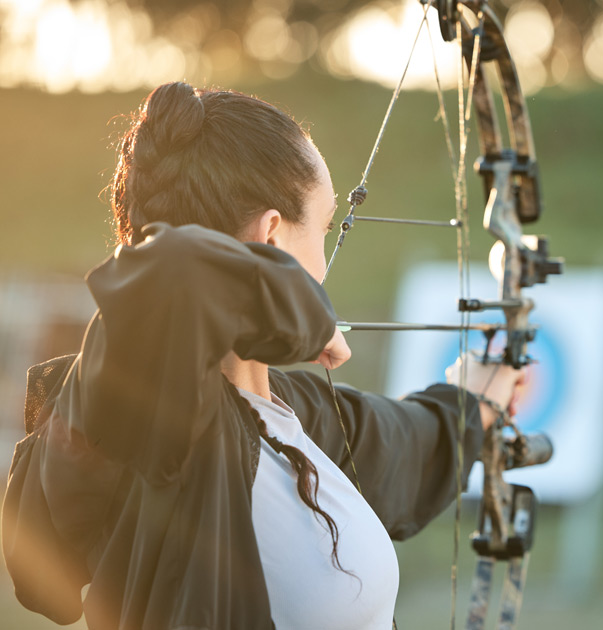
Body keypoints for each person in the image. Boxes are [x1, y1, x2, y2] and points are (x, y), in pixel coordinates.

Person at [2, 81, 523, 630]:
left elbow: (399, 442)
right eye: (324, 228)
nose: (323, 267)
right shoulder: (150, 413)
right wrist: (300, 311)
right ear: (271, 238)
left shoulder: (287, 415)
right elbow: (167, 271)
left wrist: (476, 395)